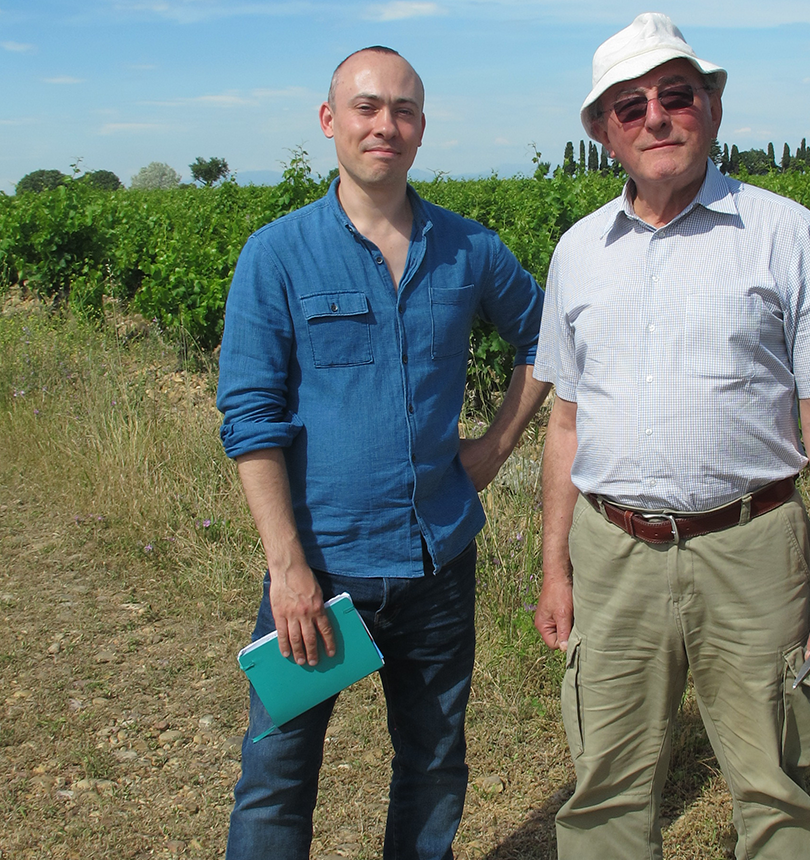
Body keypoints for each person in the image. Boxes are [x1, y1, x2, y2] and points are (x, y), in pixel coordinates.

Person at [532, 13, 810, 860]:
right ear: (602, 133)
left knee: (779, 789)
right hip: (611, 550)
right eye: (629, 106)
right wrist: (554, 567)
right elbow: (566, 421)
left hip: (753, 547)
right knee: (603, 789)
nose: (655, 117)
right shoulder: (578, 250)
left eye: (675, 96)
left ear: (712, 108)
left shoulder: (785, 233)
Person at [217, 46, 548, 860]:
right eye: (366, 107)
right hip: (320, 576)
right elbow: (251, 419)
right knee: (277, 776)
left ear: (422, 128)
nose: (385, 125)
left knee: (433, 764)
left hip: (438, 564)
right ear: (330, 121)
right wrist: (288, 569)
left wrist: (498, 445)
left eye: (402, 110)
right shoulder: (278, 254)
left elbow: (548, 337)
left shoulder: (469, 249)